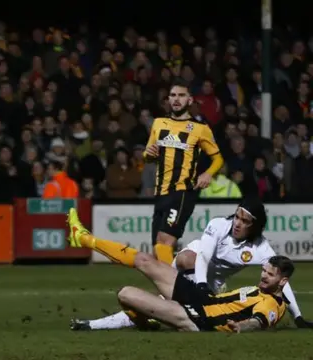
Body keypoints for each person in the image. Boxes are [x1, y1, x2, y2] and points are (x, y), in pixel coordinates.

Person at [70, 199, 313, 330]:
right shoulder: (219, 225)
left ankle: (96, 325)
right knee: (172, 258)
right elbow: (204, 257)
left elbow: (282, 280)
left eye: (245, 221)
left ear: (254, 226)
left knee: (132, 298)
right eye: (237, 216)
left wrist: (298, 316)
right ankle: (84, 238)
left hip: (210, 296)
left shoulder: (261, 249)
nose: (237, 223)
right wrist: (201, 284)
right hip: (196, 281)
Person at [144, 79, 224, 264]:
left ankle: (173, 288)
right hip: (161, 191)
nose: (176, 99)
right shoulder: (158, 124)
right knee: (158, 247)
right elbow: (148, 155)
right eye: (173, 95)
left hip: (182, 191)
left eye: (181, 95)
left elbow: (218, 158)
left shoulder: (200, 129)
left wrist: (208, 173)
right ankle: (176, 285)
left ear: (190, 100)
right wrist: (147, 153)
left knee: (165, 242)